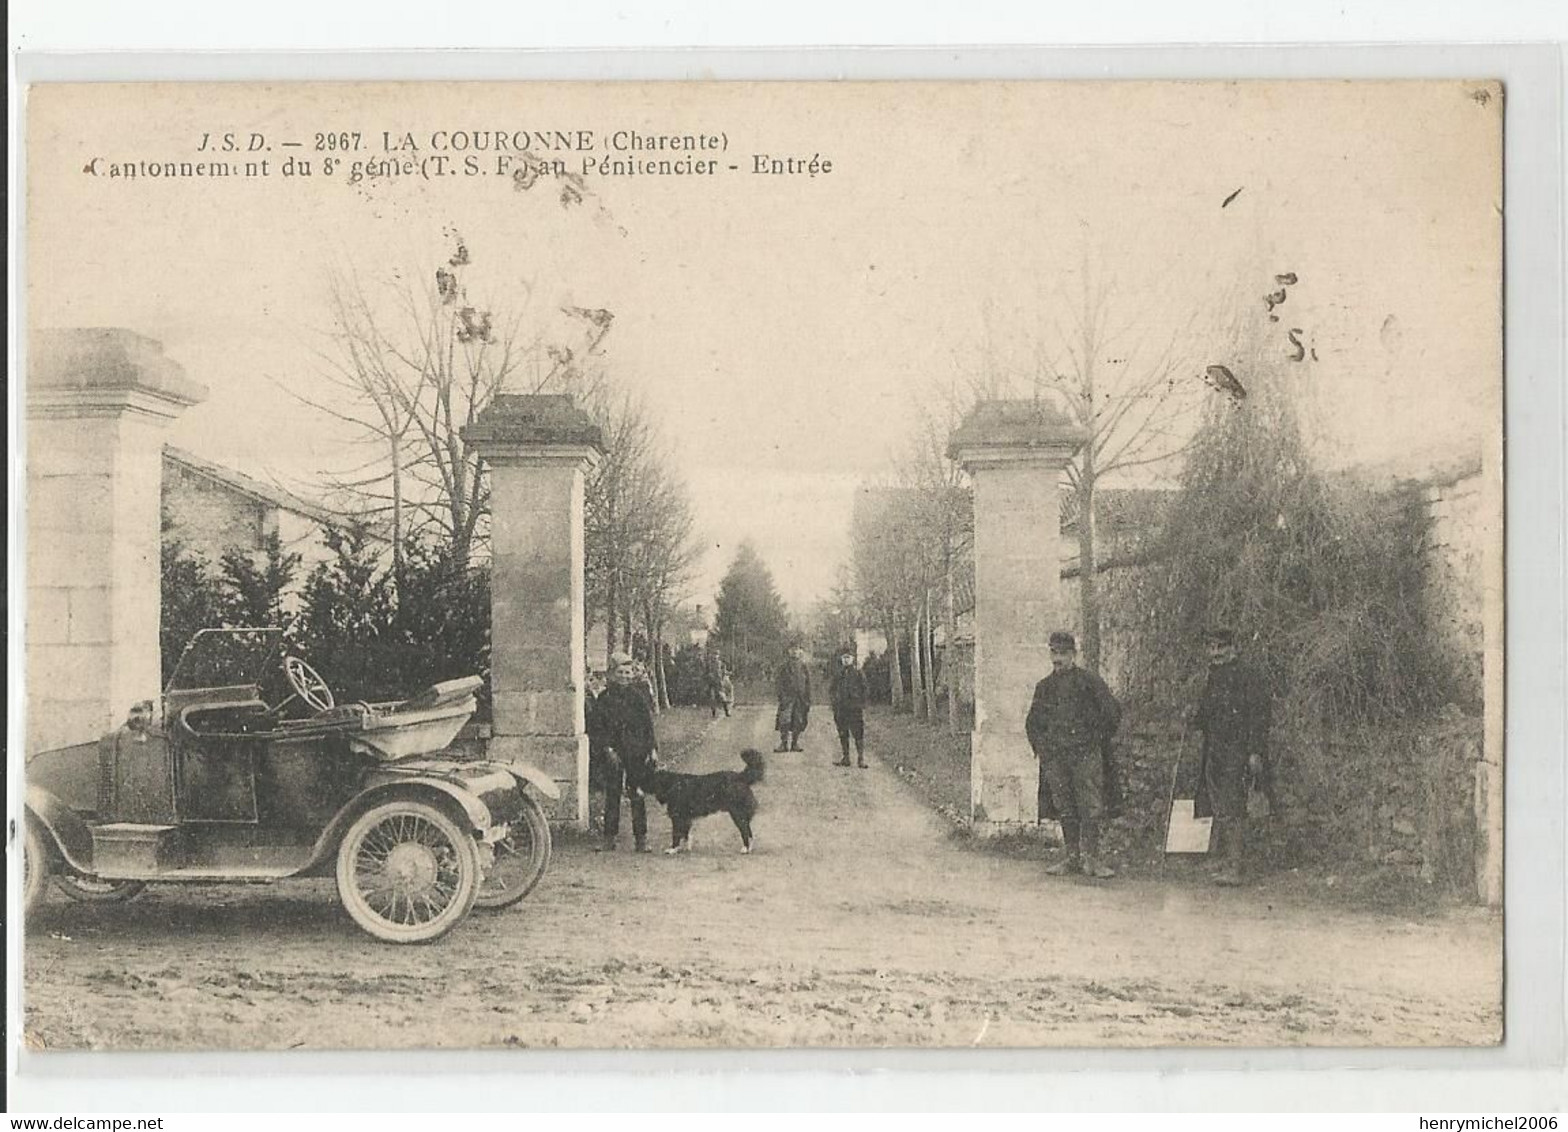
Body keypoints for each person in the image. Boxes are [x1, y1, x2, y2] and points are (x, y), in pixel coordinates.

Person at [1024, 631, 1122, 879]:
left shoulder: (1090, 682)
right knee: (1064, 807)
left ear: (1073, 655)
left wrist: (1094, 742)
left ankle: (1092, 859)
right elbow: (1032, 723)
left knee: (1090, 806)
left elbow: (1112, 713)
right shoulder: (1044, 687)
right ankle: (1071, 857)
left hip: (1085, 756)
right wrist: (1044, 750)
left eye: (1063, 653)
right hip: (1057, 758)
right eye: (1054, 653)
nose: (1057, 659)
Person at [1192, 627, 1274, 886]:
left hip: (1237, 751)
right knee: (1219, 806)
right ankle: (1227, 860)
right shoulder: (1213, 677)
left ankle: (1236, 866)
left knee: (1233, 806)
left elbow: (1259, 717)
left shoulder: (1248, 677)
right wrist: (1193, 716)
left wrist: (1254, 751)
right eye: (1211, 647)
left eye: (1220, 647)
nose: (1215, 653)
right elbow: (1207, 715)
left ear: (1232, 648)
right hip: (1215, 749)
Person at [590, 651, 660, 852]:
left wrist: (652, 749)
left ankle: (641, 839)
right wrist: (607, 749)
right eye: (620, 672)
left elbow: (648, 726)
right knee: (612, 794)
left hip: (636, 753)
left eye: (628, 673)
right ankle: (609, 838)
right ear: (612, 674)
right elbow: (597, 728)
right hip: (613, 754)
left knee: (637, 793)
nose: (625, 676)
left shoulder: (637, 697)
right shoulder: (603, 698)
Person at [829, 646, 869, 768]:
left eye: (848, 657)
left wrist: (861, 703)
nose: (846, 660)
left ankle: (860, 759)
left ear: (852, 659)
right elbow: (832, 689)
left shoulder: (858, 673)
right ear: (841, 659)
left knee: (858, 733)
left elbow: (865, 689)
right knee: (843, 732)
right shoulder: (838, 674)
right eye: (844, 658)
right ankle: (846, 758)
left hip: (855, 708)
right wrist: (834, 702)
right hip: (841, 708)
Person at [774, 645, 812, 752]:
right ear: (789, 652)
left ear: (800, 652)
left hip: (800, 698)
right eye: (792, 650)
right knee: (784, 720)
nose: (795, 652)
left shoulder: (804, 667)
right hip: (787, 698)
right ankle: (784, 744)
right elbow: (779, 683)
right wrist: (781, 696)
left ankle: (795, 743)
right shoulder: (784, 667)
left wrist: (807, 698)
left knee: (798, 721)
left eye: (797, 649)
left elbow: (808, 684)